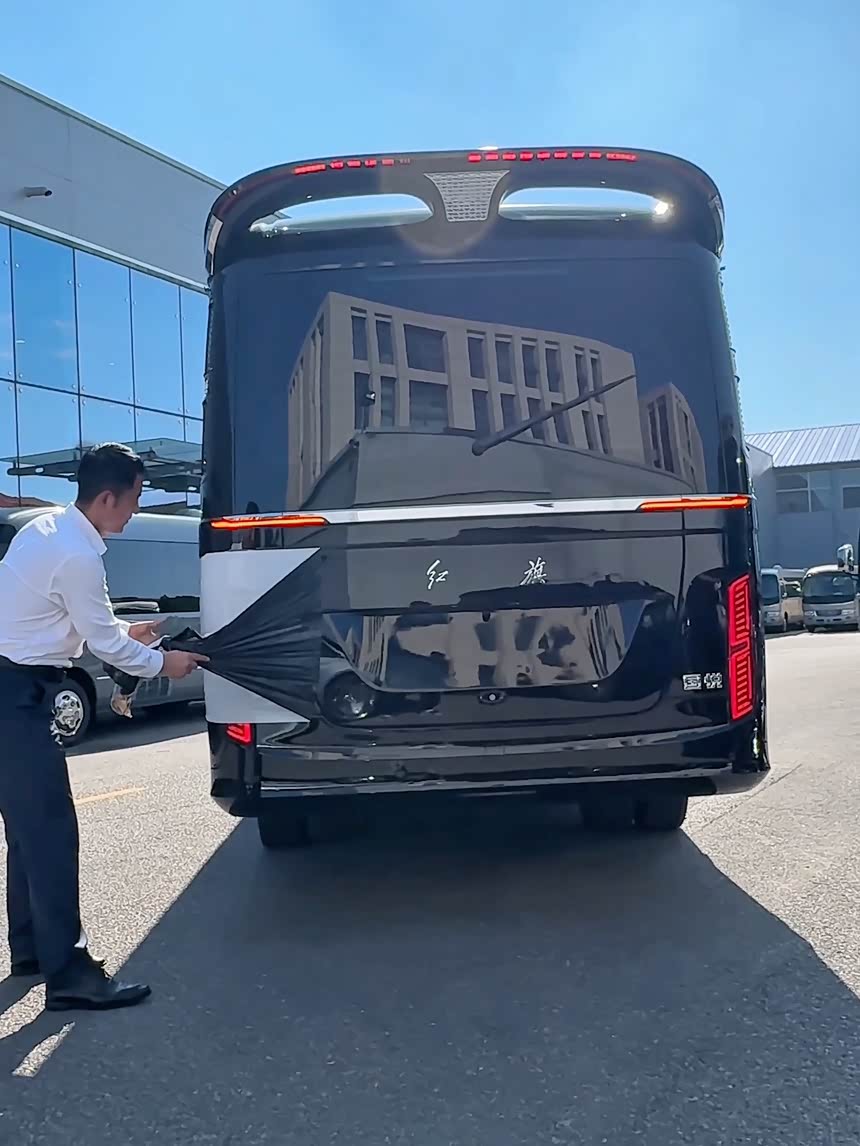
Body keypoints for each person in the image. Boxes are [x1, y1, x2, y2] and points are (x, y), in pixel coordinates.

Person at [0, 443, 206, 1011]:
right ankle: (70, 976)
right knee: (50, 831)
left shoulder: (46, 530)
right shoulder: (78, 555)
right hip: (15, 696)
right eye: (135, 498)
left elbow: (71, 619)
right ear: (109, 496)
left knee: (28, 830)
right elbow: (103, 643)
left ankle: (32, 951)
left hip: (11, 688)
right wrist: (164, 662)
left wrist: (124, 633)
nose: (136, 510)